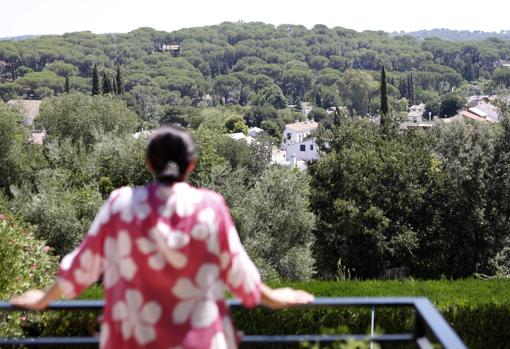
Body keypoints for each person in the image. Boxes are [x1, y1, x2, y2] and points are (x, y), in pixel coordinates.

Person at [11, 125, 314, 349]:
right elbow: (239, 274)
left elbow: (82, 266)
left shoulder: (121, 205)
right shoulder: (211, 206)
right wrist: (275, 298)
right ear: (192, 166)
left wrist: (43, 298)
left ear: (148, 164)